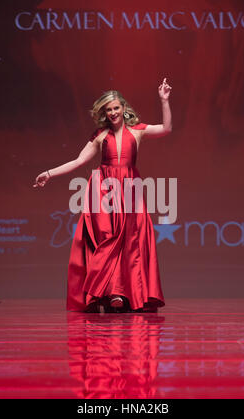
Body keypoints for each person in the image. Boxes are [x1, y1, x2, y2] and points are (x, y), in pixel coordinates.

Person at [34, 78, 172, 313]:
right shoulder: (100, 135)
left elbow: (166, 129)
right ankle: (111, 293)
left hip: (130, 190)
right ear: (104, 113)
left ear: (123, 108)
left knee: (130, 241)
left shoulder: (137, 131)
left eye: (116, 108)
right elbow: (78, 161)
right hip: (104, 189)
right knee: (108, 239)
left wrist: (164, 101)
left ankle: (128, 294)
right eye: (108, 109)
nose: (113, 112)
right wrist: (49, 173)